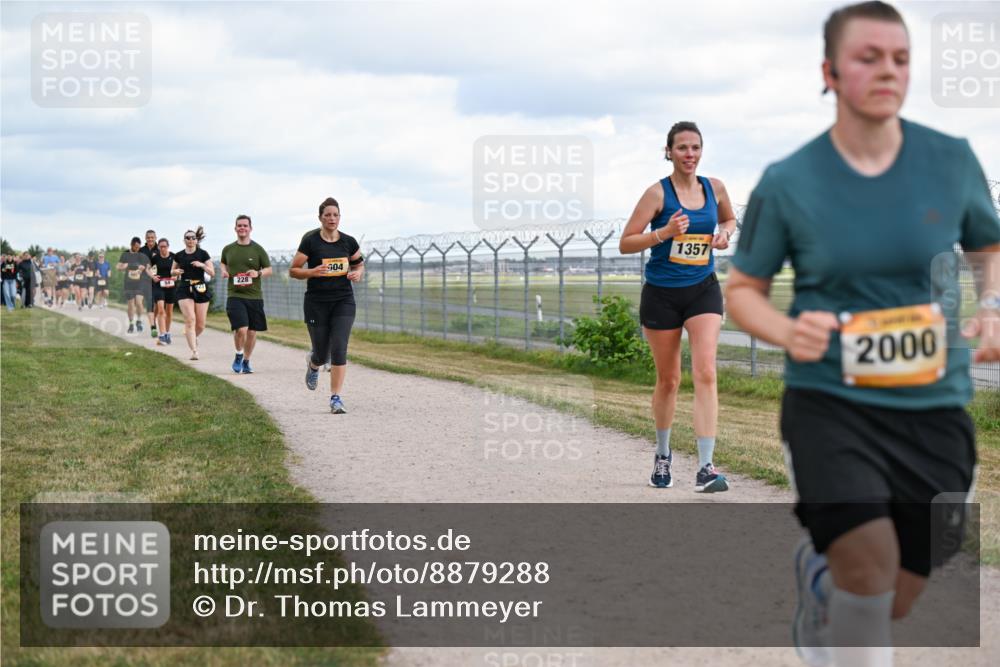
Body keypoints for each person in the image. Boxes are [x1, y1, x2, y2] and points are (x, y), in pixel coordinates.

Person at [724, 3, 1000, 666]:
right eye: (868, 58)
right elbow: (742, 292)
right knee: (869, 569)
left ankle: (821, 582)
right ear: (829, 72)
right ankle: (842, 586)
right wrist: (789, 331)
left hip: (934, 405)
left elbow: (989, 249)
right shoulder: (789, 182)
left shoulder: (951, 160)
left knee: (901, 590)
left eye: (900, 59)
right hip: (831, 403)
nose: (888, 71)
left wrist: (993, 305)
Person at [618, 121, 737, 491]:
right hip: (662, 294)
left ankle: (706, 467)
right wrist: (665, 233)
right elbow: (626, 242)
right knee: (669, 380)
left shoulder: (715, 188)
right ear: (668, 152)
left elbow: (729, 218)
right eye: (682, 147)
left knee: (706, 371)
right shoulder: (657, 194)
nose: (690, 154)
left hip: (703, 289)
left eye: (695, 147)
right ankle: (663, 454)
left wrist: (724, 234)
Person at [290, 197, 365, 414]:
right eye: (328, 215)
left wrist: (358, 273)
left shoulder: (349, 242)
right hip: (317, 303)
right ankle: (314, 364)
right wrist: (312, 272)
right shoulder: (311, 241)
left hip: (343, 301)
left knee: (339, 347)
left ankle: (335, 398)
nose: (332, 218)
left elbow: (359, 264)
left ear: (340, 217)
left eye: (335, 215)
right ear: (320, 218)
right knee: (322, 354)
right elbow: (293, 270)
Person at [219, 215, 272, 373]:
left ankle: (247, 361)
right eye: (239, 225)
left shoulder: (258, 249)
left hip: (254, 296)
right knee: (241, 329)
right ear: (235, 228)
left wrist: (258, 273)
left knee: (252, 332)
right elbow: (223, 262)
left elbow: (269, 269)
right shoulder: (228, 249)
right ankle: (238, 355)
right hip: (235, 295)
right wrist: (223, 271)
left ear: (250, 228)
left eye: (245, 225)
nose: (242, 228)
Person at [173, 227, 214, 360]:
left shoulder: (203, 254)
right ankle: (194, 351)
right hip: (184, 287)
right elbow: (172, 272)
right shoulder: (179, 255)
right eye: (188, 238)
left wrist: (202, 265)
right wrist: (175, 272)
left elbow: (212, 272)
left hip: (200, 287)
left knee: (200, 324)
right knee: (190, 319)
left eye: (193, 238)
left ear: (196, 240)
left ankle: (192, 336)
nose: (190, 240)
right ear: (184, 240)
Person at [147, 238, 180, 345]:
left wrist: (176, 276)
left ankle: (167, 333)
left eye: (164, 246)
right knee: (161, 309)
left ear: (168, 246)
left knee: (169, 311)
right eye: (160, 247)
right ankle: (162, 334)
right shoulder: (155, 258)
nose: (162, 249)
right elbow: (147, 269)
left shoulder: (174, 257)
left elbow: (179, 269)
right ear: (158, 247)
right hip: (159, 285)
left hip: (171, 285)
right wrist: (153, 277)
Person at [117, 237, 150, 333]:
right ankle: (131, 324)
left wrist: (141, 268)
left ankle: (139, 320)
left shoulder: (141, 255)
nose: (137, 249)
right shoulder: (125, 254)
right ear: (131, 245)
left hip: (140, 283)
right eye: (136, 247)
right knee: (130, 304)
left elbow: (147, 266)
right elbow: (118, 266)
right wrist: (124, 266)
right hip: (128, 283)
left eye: (139, 247)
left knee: (139, 303)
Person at [138, 229, 159, 338]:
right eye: (148, 237)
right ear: (145, 238)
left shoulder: (159, 249)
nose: (150, 239)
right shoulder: (141, 250)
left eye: (152, 237)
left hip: (155, 280)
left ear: (155, 238)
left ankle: (153, 326)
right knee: (139, 301)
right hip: (142, 280)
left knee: (152, 305)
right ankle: (140, 319)